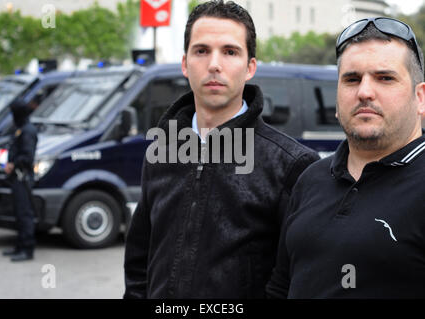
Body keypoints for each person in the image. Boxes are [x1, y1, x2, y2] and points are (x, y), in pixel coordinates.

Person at [124, 0, 319, 298]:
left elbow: (296, 278)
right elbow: (140, 259)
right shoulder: (162, 150)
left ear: (250, 67)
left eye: (230, 51)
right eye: (201, 51)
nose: (214, 64)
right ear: (185, 64)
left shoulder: (291, 165)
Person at [266, 17, 425, 298]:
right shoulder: (310, 179)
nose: (364, 92)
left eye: (385, 78)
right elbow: (280, 286)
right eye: (351, 79)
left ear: (421, 98)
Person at [2, 99, 38, 262]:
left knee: (25, 214)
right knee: (18, 213)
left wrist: (13, 164)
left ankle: (27, 249)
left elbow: (27, 156)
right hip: (16, 177)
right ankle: (19, 246)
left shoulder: (28, 130)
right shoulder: (21, 128)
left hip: (22, 177)